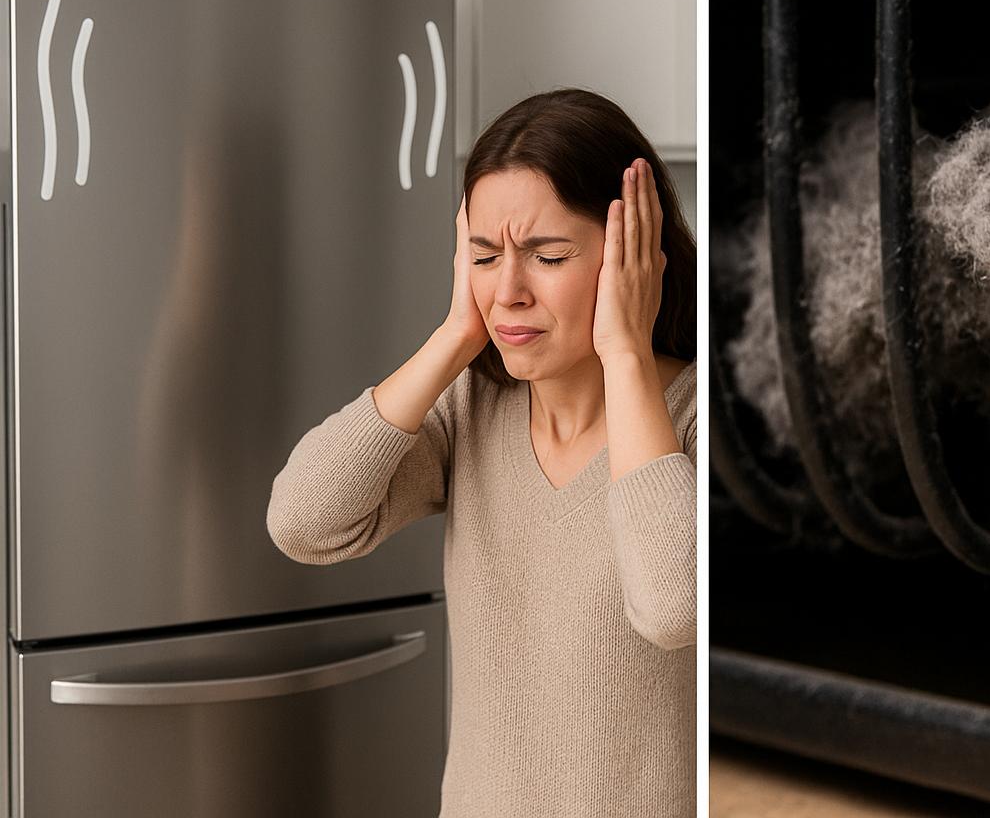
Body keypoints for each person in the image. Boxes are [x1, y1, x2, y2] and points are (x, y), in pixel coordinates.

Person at [266, 88, 697, 817]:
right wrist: (455, 337)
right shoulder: (471, 411)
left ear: (634, 257)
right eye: (485, 255)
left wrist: (624, 351)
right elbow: (302, 522)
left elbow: (673, 608)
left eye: (546, 255)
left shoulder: (692, 418)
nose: (509, 291)